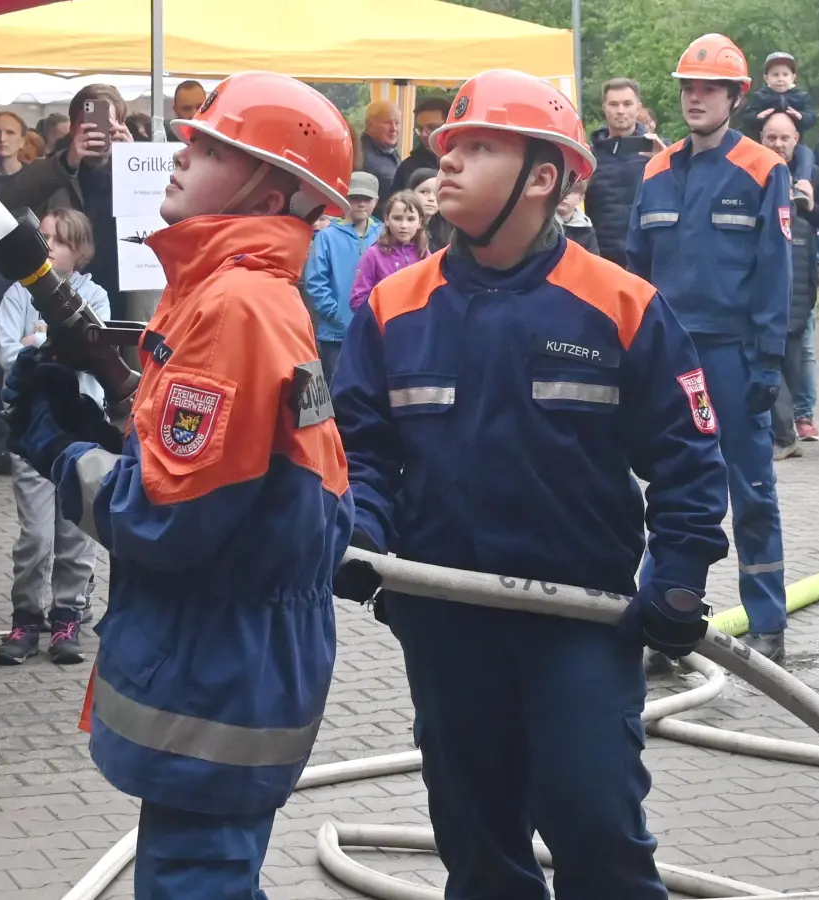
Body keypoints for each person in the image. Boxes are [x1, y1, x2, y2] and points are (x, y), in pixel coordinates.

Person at [331, 68, 729, 900]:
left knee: (597, 834)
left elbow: (687, 460)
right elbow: (363, 449)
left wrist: (679, 578)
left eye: (478, 148)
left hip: (578, 624)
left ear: (543, 178)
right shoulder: (394, 309)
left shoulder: (621, 306)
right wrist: (361, 529)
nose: (448, 163)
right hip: (444, 622)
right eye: (449, 147)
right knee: (479, 853)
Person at [3, 69, 353, 897]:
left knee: (196, 882)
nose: (181, 153)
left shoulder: (234, 306)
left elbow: (171, 517)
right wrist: (102, 434)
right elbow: (206, 470)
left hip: (219, 661)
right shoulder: (230, 293)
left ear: (271, 185)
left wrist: (56, 448)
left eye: (212, 144)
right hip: (235, 650)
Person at [627, 33, 793, 665]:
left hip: (732, 355)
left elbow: (775, 273)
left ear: (735, 96)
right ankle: (668, 622)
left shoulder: (762, 169)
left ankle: (768, 620)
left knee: (750, 489)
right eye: (688, 87)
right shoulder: (656, 169)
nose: (695, 98)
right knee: (674, 490)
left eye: (709, 88)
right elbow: (635, 273)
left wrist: (768, 362)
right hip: (670, 357)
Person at [0, 208, 107, 667]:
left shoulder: (95, 294)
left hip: (80, 428)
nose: (46, 249)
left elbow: (92, 350)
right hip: (32, 433)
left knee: (76, 531)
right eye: (41, 239)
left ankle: (67, 614)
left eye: (57, 241)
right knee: (37, 535)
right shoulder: (16, 295)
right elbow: (7, 355)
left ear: (78, 252)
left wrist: (35, 341)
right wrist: (49, 342)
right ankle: (26, 616)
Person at [2, 84, 134, 317]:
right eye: (89, 123)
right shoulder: (50, 171)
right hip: (63, 293)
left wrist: (134, 162)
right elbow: (8, 209)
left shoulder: (136, 170)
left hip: (124, 290)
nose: (97, 130)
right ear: (73, 128)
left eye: (107, 122)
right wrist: (67, 163)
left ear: (121, 126)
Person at [762, 110, 819, 458]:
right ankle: (781, 435)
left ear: (797, 140)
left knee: (797, 363)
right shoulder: (748, 170)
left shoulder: (813, 175)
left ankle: (796, 422)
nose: (778, 144)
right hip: (761, 285)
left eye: (785, 138)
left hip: (800, 286)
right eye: (771, 138)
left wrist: (809, 206)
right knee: (768, 364)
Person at [303, 171, 383, 380]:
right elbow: (316, 282)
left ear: (376, 200)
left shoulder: (383, 233)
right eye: (355, 198)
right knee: (336, 388)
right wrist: (335, 315)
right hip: (335, 334)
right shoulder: (327, 236)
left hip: (374, 331)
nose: (361, 204)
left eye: (367, 199)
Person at [585, 77, 653, 266]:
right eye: (614, 104)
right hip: (600, 260)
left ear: (638, 108)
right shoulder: (589, 156)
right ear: (604, 108)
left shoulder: (657, 152)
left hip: (645, 259)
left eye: (627, 104)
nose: (620, 111)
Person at [349, 190, 428, 311]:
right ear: (386, 219)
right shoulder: (373, 255)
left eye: (411, 219)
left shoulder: (424, 254)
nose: (404, 225)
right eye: (397, 218)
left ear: (420, 222)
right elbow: (357, 300)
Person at [742, 52, 816, 137]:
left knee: (805, 151)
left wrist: (801, 117)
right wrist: (757, 117)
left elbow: (812, 118)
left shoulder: (802, 96)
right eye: (775, 75)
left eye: (785, 74)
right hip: (763, 143)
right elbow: (747, 118)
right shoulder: (759, 96)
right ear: (766, 78)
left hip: (794, 143)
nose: (780, 79)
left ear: (793, 78)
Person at [391, 95, 450, 201]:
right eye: (419, 128)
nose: (423, 134)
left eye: (432, 128)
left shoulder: (467, 163)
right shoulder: (407, 168)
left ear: (449, 126)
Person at [356, 99, 403, 205]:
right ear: (369, 124)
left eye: (397, 123)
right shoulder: (359, 156)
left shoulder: (390, 152)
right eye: (387, 122)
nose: (394, 128)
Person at [407, 167, 451, 250]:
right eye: (424, 192)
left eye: (436, 193)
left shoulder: (448, 231)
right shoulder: (402, 229)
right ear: (410, 192)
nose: (431, 198)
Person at [556, 178, 600, 254]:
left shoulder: (586, 228)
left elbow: (593, 259)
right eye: (562, 190)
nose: (565, 196)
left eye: (571, 192)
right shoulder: (542, 223)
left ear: (581, 198)